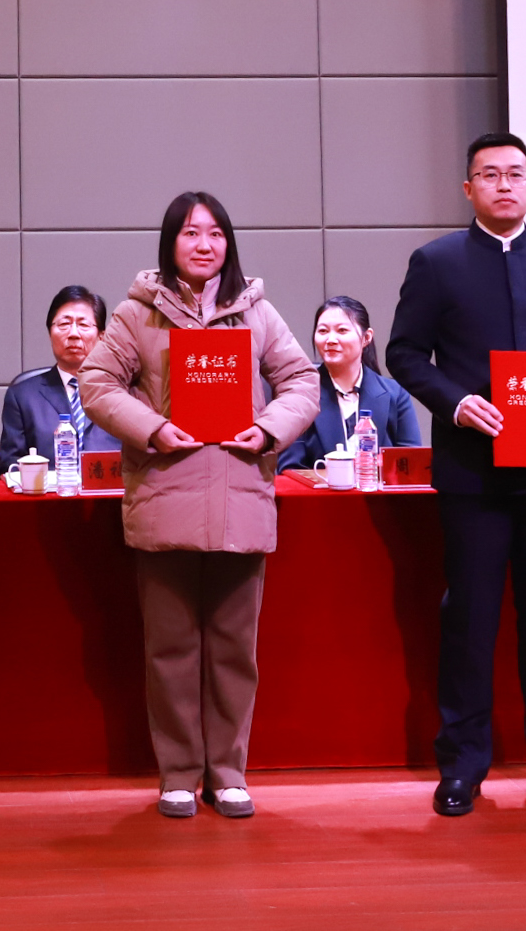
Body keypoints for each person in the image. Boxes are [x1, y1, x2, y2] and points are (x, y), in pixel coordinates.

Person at [80, 192, 320, 821]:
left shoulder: (257, 312)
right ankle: (180, 774)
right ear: (170, 243)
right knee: (171, 650)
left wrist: (267, 429)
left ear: (228, 243)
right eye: (190, 233)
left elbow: (301, 381)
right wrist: (153, 428)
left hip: (241, 498)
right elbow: (97, 383)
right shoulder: (137, 314)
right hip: (166, 499)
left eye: (215, 233)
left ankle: (229, 772)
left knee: (236, 650)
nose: (204, 244)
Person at [386, 133, 526, 818]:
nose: (504, 185)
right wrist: (454, 401)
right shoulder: (438, 262)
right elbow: (403, 353)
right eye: (490, 174)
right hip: (473, 474)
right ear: (468, 188)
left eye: (516, 174)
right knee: (471, 622)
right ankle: (462, 766)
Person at [279, 296, 425, 471]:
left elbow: (410, 464)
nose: (331, 339)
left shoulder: (395, 393)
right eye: (323, 331)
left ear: (366, 337)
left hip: (378, 489)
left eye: (342, 331)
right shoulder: (300, 394)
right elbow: (290, 468)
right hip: (318, 489)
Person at [0, 285, 120, 463]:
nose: (73, 334)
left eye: (83, 325)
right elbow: (9, 464)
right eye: (64, 324)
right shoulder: (22, 396)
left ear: (101, 336)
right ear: (50, 333)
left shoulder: (123, 391)